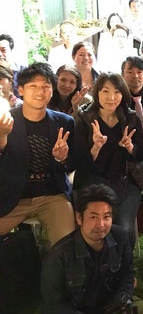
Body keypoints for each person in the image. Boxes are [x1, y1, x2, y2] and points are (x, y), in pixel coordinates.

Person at [0, 62, 75, 246]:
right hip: (13, 196)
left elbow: (73, 164)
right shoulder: (5, 120)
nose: (40, 92)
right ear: (21, 90)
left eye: (45, 86)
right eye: (33, 86)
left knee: (67, 243)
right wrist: (2, 136)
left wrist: (61, 158)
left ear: (52, 90)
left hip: (52, 195)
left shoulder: (65, 122)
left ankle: (52, 265)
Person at [74, 73, 143, 247]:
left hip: (126, 179)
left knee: (125, 227)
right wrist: (96, 147)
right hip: (92, 180)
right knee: (96, 225)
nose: (111, 97)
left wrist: (130, 147)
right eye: (105, 91)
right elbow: (78, 162)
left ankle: (125, 262)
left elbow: (141, 154)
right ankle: (95, 259)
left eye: (117, 92)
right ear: (97, 93)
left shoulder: (130, 117)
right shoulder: (84, 118)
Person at [41, 184, 134, 313]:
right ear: (79, 218)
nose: (101, 224)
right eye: (94, 217)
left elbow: (128, 275)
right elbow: (54, 303)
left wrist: (120, 301)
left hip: (112, 307)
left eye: (106, 217)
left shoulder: (120, 236)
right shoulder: (59, 255)